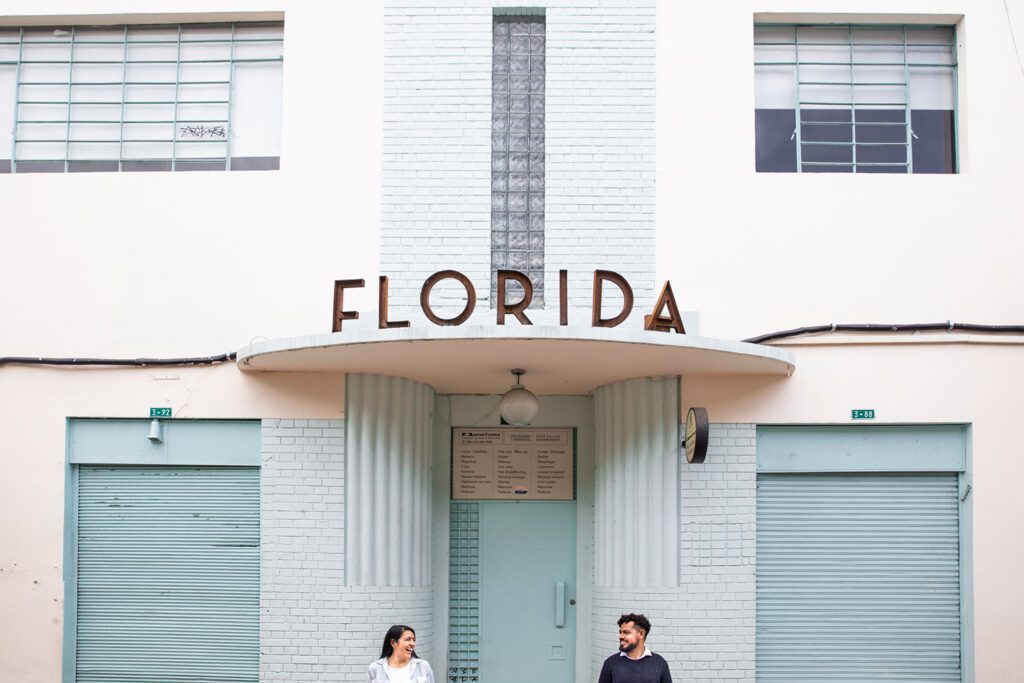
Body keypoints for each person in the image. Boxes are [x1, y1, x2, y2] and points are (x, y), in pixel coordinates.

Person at [597, 613, 672, 683]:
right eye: (620, 632)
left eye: (626, 632)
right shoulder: (610, 663)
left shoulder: (659, 663)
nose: (621, 636)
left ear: (641, 634)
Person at [367, 624, 435, 683]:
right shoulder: (375, 668)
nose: (413, 644)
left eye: (414, 640)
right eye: (408, 639)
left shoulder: (423, 666)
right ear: (393, 643)